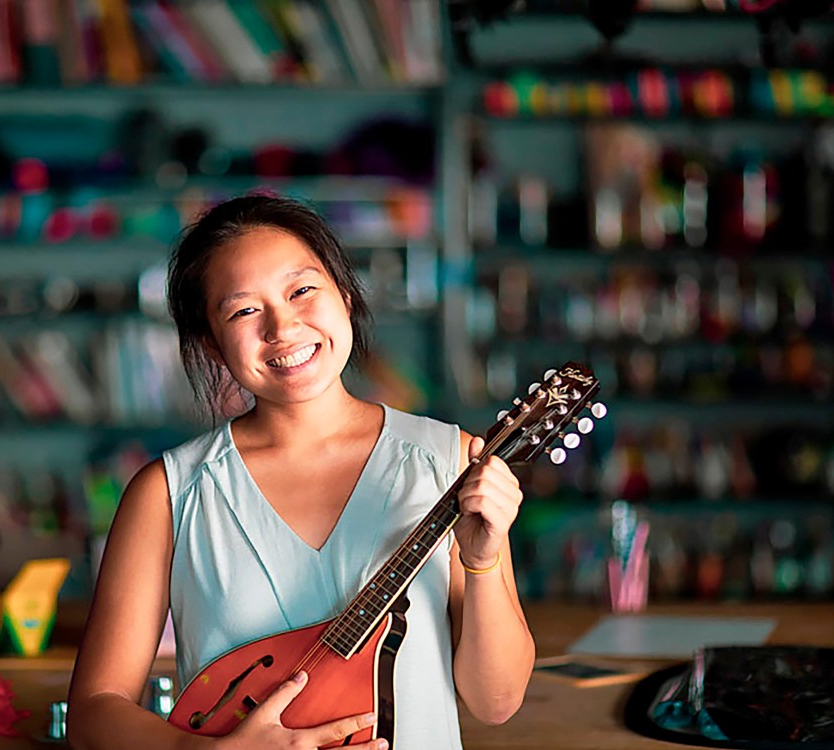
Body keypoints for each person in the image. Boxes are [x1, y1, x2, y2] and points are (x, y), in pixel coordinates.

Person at [67, 194, 535, 750]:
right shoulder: (169, 492)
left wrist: (482, 562)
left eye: (302, 290)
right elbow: (94, 714)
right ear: (212, 345)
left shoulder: (448, 461)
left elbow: (496, 703)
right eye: (244, 310)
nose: (282, 328)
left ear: (345, 293)